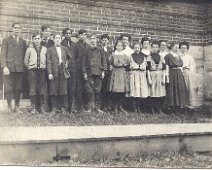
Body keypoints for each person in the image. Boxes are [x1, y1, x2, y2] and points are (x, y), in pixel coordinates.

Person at [1, 23, 26, 113]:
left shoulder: (23, 42)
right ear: (12, 29)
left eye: (19, 28)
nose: (17, 30)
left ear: (20, 30)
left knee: (17, 88)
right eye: (15, 28)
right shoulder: (6, 40)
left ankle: (16, 107)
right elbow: (3, 54)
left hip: (19, 69)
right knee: (8, 88)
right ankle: (8, 107)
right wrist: (4, 67)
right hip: (9, 68)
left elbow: (24, 56)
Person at [46, 34, 72, 114]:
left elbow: (70, 58)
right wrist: (50, 73)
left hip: (63, 71)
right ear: (53, 40)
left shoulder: (64, 49)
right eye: (56, 38)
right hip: (54, 71)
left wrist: (67, 63)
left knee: (63, 90)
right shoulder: (50, 49)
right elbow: (48, 62)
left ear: (61, 40)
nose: (57, 40)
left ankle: (62, 108)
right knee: (53, 90)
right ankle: (54, 108)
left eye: (59, 38)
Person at [82, 34, 107, 113]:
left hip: (98, 73)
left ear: (96, 40)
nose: (92, 40)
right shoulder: (86, 50)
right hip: (89, 73)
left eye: (94, 38)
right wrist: (84, 72)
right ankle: (90, 107)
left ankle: (97, 107)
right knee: (89, 91)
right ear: (89, 40)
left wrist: (103, 71)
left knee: (97, 90)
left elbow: (104, 61)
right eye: (91, 38)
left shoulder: (100, 50)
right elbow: (83, 62)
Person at [24, 33, 47, 114]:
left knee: (41, 89)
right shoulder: (29, 49)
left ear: (41, 39)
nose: (37, 40)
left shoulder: (44, 49)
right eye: (35, 39)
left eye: (38, 38)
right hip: (32, 71)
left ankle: (42, 107)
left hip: (42, 71)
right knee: (32, 89)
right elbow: (26, 62)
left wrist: (43, 66)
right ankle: (33, 107)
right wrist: (31, 67)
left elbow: (47, 60)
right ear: (33, 40)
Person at [164, 42, 189, 114]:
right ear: (171, 47)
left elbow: (180, 66)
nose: (177, 48)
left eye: (177, 47)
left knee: (179, 89)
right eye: (175, 47)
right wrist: (167, 77)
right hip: (172, 73)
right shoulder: (168, 56)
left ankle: (179, 107)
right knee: (173, 89)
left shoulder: (178, 55)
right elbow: (166, 67)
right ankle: (172, 108)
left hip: (179, 74)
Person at [108, 40, 130, 113]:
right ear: (115, 46)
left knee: (121, 90)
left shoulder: (125, 55)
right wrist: (110, 67)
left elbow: (129, 63)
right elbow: (109, 62)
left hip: (122, 73)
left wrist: (125, 66)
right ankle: (115, 107)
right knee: (115, 90)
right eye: (118, 46)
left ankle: (120, 107)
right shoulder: (113, 54)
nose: (119, 47)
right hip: (115, 73)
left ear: (123, 47)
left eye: (121, 46)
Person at [129, 42, 149, 113]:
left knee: (141, 91)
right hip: (134, 75)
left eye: (138, 48)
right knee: (135, 91)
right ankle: (134, 107)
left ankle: (140, 107)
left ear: (140, 48)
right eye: (135, 48)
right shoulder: (131, 56)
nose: (137, 49)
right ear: (133, 48)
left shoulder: (144, 56)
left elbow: (146, 67)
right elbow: (128, 66)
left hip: (142, 75)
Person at [61, 27, 77, 113]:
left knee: (72, 88)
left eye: (70, 33)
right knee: (65, 88)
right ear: (63, 34)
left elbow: (76, 56)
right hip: (65, 69)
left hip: (73, 69)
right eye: (66, 33)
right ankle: (65, 106)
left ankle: (71, 107)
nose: (68, 35)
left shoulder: (74, 44)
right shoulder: (61, 44)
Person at [148, 41, 166, 114]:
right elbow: (147, 70)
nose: (155, 49)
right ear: (151, 48)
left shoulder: (161, 57)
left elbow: (164, 69)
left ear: (158, 48)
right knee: (152, 92)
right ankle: (152, 109)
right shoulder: (149, 57)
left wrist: (164, 79)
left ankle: (159, 109)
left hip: (160, 75)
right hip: (152, 75)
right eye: (153, 47)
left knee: (160, 93)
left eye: (156, 47)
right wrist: (149, 79)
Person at [75, 29, 89, 112]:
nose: (83, 36)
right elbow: (73, 57)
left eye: (84, 35)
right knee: (79, 87)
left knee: (86, 87)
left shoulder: (88, 46)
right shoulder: (76, 45)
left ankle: (86, 104)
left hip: (86, 69)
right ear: (79, 36)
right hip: (78, 69)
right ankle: (80, 106)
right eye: (81, 35)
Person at [179, 41, 196, 108]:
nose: (183, 49)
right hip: (180, 74)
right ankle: (181, 104)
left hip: (187, 74)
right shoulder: (178, 57)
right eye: (182, 48)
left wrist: (188, 69)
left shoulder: (190, 57)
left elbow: (192, 66)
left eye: (185, 48)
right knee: (181, 89)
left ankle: (189, 104)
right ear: (180, 49)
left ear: (187, 49)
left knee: (188, 88)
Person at [99, 34, 113, 111]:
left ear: (108, 41)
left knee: (107, 88)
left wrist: (112, 65)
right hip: (101, 71)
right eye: (103, 40)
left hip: (108, 72)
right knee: (101, 88)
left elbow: (112, 59)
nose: (105, 41)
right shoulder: (99, 49)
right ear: (101, 41)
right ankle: (101, 105)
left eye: (106, 40)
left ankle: (107, 104)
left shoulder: (110, 50)